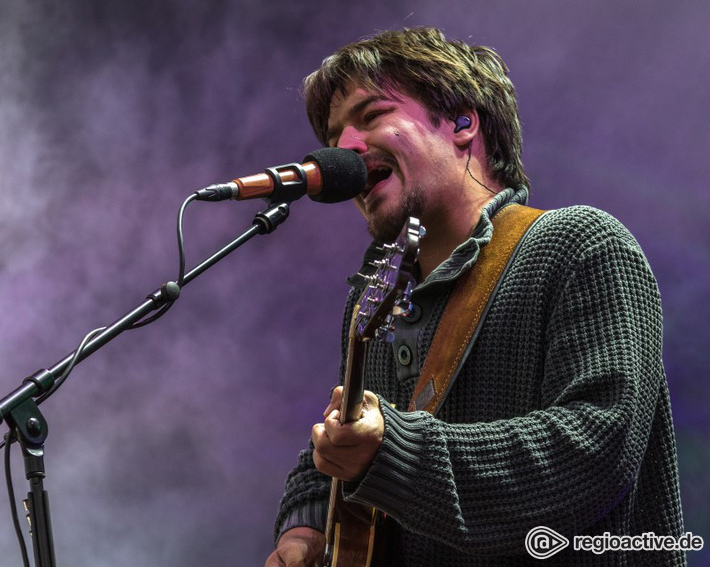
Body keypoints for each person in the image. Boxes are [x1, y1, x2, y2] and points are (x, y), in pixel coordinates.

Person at [265, 27, 684, 566]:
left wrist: (394, 452)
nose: (343, 146)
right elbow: (339, 440)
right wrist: (302, 531)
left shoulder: (579, 246)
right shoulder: (378, 295)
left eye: (371, 116)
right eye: (335, 133)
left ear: (464, 124)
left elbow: (596, 450)